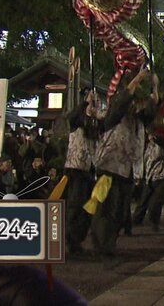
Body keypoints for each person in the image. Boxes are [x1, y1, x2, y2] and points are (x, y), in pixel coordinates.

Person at [88, 69, 157, 265]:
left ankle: (109, 243)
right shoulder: (116, 112)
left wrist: (155, 87)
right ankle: (101, 244)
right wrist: (137, 79)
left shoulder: (138, 119)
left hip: (126, 169)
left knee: (119, 210)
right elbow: (121, 102)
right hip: (109, 165)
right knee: (106, 208)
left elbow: (151, 111)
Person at [63, 89, 99, 254]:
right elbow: (72, 117)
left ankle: (78, 238)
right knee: (75, 205)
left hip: (90, 169)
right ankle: (71, 239)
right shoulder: (77, 122)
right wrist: (85, 102)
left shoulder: (95, 124)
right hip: (76, 168)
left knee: (88, 207)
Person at [133, 133, 164, 231]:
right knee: (142, 202)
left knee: (155, 203)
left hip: (163, 178)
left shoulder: (163, 145)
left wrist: (157, 138)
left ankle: (154, 223)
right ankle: (136, 221)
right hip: (150, 178)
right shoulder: (147, 147)